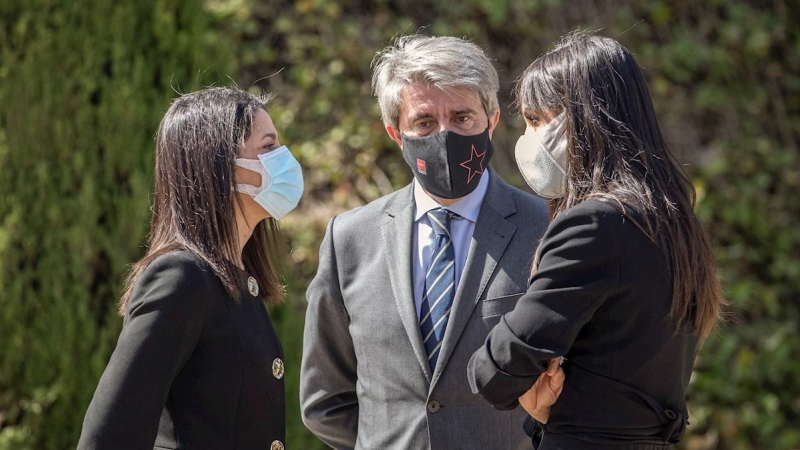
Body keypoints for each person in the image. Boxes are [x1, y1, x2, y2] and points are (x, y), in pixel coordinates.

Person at [467, 31, 727, 449]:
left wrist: (530, 389)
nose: (528, 138)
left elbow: (495, 369)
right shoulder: (673, 223)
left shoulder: (595, 224)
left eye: (537, 120)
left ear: (582, 120)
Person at [299, 34, 550, 450]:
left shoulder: (546, 227)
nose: (445, 134)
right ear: (396, 133)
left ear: (491, 121)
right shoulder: (350, 238)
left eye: (462, 117)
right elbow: (325, 399)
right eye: (424, 122)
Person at [78, 86, 303, 450]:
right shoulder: (181, 278)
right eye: (267, 147)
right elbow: (108, 437)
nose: (284, 159)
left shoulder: (237, 279)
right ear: (218, 167)